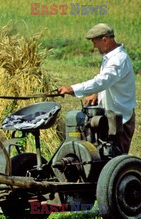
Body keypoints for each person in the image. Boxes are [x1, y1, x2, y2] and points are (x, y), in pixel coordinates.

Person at [58, 23, 136, 154]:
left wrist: (73, 88)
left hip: (119, 119)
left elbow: (102, 81)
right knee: (102, 155)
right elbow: (108, 83)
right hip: (108, 115)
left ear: (105, 40)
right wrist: (96, 93)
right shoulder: (109, 57)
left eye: (95, 43)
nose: (94, 47)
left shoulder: (118, 60)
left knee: (116, 160)